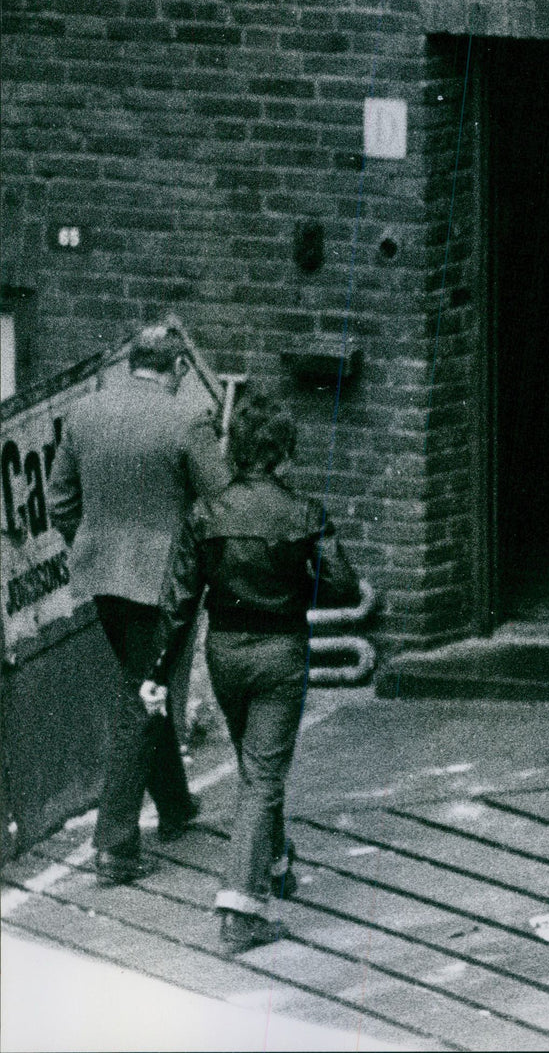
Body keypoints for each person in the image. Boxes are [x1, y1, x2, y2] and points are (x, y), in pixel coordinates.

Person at [141, 382, 361, 953]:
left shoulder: (205, 513)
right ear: (283, 451)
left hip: (226, 655)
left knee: (256, 767)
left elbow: (179, 600)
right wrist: (295, 574)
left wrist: (157, 671)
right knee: (262, 777)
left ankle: (277, 861)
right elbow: (341, 585)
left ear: (236, 450)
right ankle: (240, 910)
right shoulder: (304, 512)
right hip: (282, 654)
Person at [48, 315, 231, 885]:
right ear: (177, 367)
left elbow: (60, 502)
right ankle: (115, 844)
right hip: (162, 587)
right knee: (144, 701)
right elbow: (222, 501)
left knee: (141, 685)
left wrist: (96, 548)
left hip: (103, 580)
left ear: (130, 364)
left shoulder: (83, 413)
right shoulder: (187, 421)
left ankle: (175, 809)